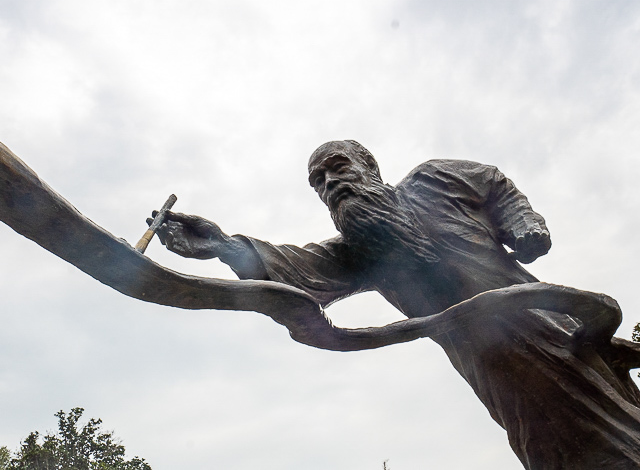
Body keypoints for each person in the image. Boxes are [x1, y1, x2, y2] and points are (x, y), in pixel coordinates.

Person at [153, 140, 640, 469]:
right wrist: (222, 244)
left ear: (369, 167)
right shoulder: (357, 251)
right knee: (548, 446)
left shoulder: (434, 181)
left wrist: (523, 222)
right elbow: (293, 269)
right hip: (492, 369)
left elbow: (494, 184)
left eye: (337, 168)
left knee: (619, 426)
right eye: (318, 183)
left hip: (550, 328)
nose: (330, 184)